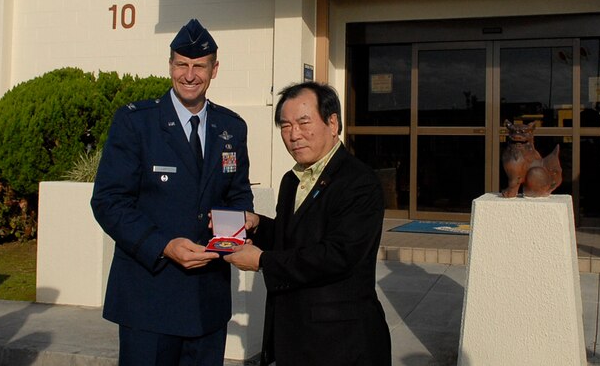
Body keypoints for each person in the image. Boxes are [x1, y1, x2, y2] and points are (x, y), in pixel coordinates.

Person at [91, 18, 258, 366]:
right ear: (170, 66)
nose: (189, 75)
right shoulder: (136, 122)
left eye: (199, 66)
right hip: (149, 299)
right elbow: (109, 201)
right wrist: (163, 245)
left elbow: (238, 193)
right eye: (182, 64)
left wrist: (236, 231)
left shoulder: (231, 127)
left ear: (214, 70)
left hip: (208, 301)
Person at [224, 81, 391, 366]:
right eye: (286, 126)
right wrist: (257, 225)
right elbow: (296, 237)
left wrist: (263, 261)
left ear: (332, 123)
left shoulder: (359, 182)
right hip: (295, 335)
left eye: (303, 123)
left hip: (340, 342)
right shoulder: (292, 179)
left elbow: (338, 255)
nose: (294, 135)